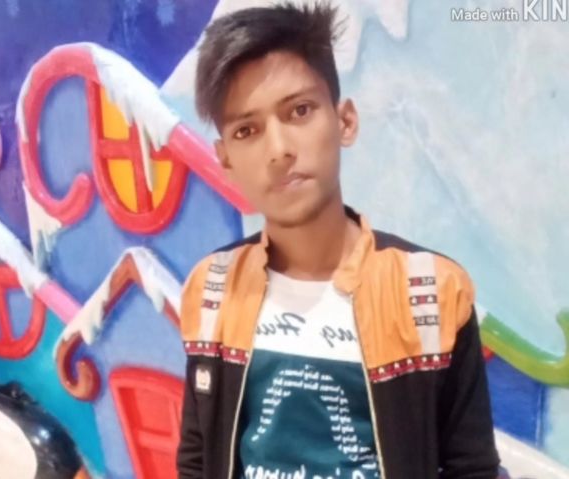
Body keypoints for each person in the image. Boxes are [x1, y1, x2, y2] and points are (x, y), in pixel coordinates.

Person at [177, 3, 500, 478]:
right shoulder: (214, 288)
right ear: (225, 159)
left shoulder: (431, 291)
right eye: (247, 130)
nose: (278, 149)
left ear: (345, 121)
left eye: (299, 111)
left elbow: (471, 468)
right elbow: (197, 459)